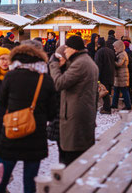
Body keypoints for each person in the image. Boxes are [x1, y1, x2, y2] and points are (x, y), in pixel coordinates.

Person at [0, 41, 56, 193]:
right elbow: (52, 112)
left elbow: (2, 104)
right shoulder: (45, 79)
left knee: (1, 181)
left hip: (11, 133)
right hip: (35, 134)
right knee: (30, 183)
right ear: (40, 57)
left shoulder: (10, 76)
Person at [50, 35, 99, 166]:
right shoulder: (85, 61)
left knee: (72, 160)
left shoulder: (80, 64)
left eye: (67, 48)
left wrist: (54, 65)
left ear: (74, 49)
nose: (65, 51)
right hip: (80, 115)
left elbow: (59, 83)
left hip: (75, 117)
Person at [47, 45, 67, 163]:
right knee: (61, 149)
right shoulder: (52, 71)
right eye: (57, 57)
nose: (59, 60)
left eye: (61, 57)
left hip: (65, 115)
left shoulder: (68, 72)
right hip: (56, 115)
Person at [94, 37, 115, 114]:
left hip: (103, 75)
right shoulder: (110, 51)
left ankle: (106, 108)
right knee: (107, 91)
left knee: (103, 91)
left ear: (99, 44)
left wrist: (97, 77)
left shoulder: (99, 52)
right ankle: (106, 106)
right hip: (111, 74)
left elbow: (98, 65)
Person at [111, 40, 132, 110]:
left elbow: (119, 64)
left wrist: (113, 61)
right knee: (116, 90)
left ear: (119, 47)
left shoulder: (122, 54)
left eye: (115, 47)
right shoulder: (120, 53)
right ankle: (114, 104)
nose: (114, 48)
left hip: (122, 75)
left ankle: (128, 105)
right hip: (120, 75)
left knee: (124, 90)